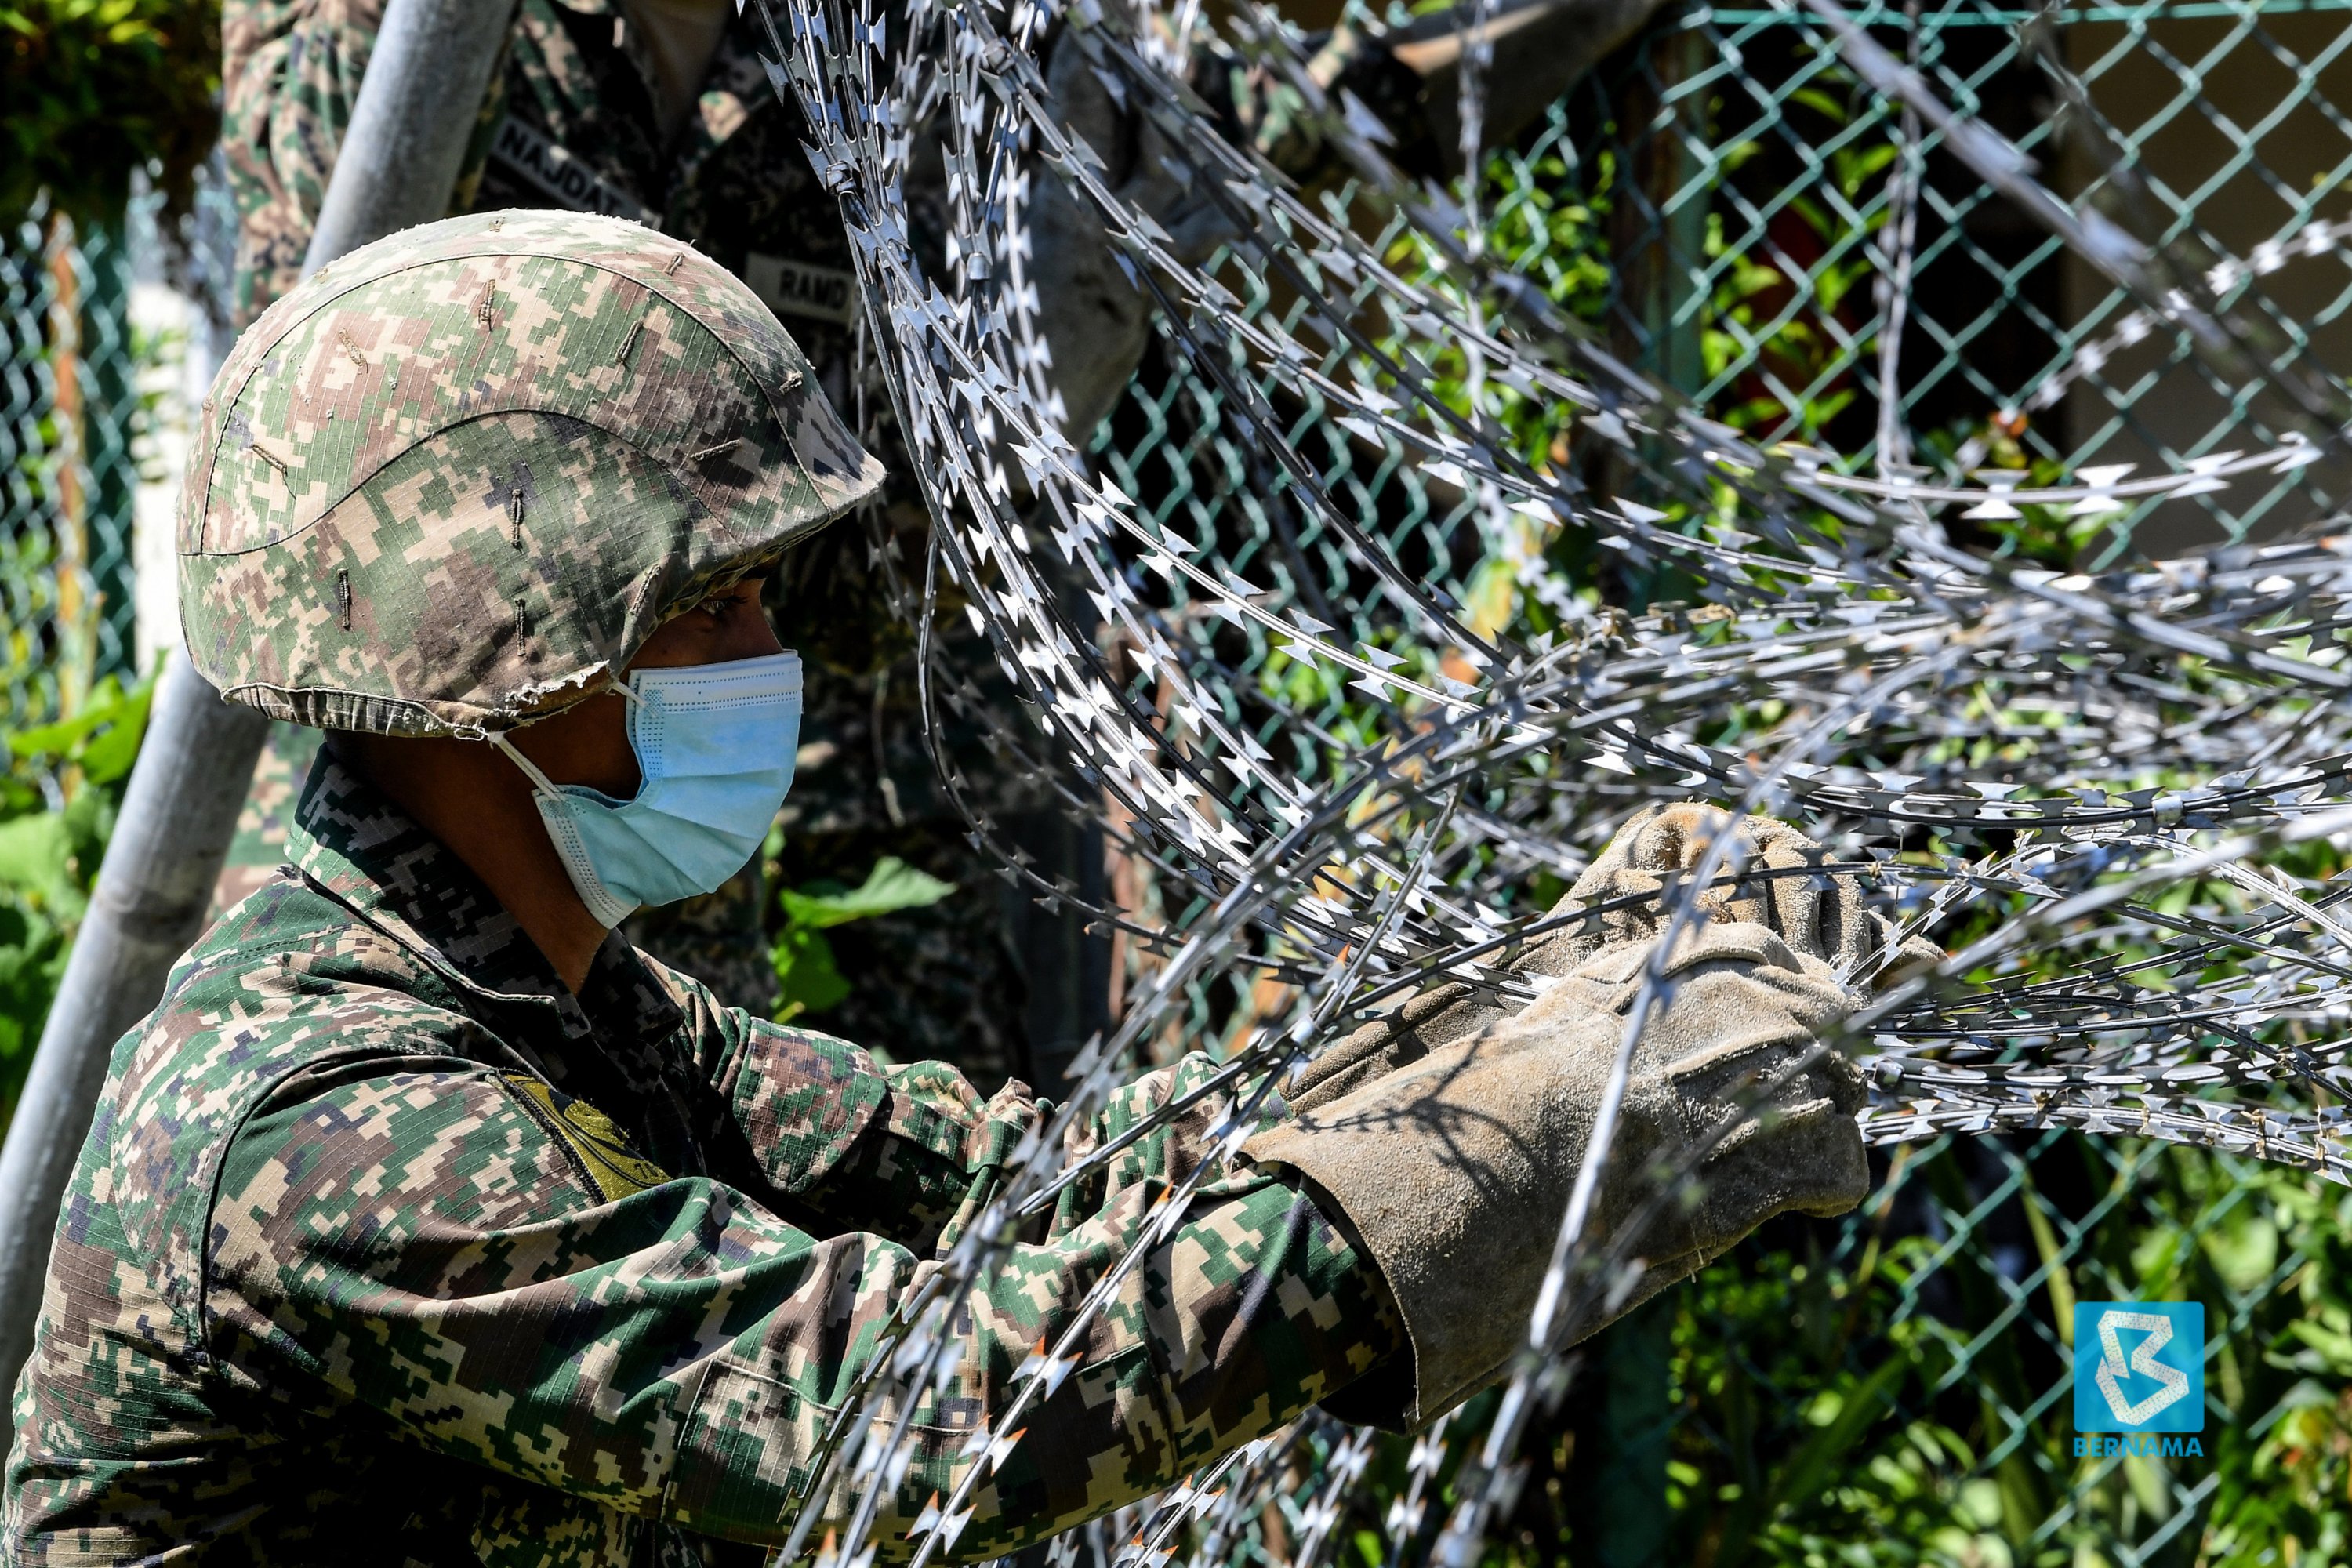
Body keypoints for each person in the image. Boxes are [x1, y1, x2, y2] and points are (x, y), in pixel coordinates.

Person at [0, 214, 1885, 1563]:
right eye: (710, 603)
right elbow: (904, 1418)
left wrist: (1522, 1014)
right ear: (492, 648)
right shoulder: (335, 1126)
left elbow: (1028, 1179)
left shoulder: (559, 1004)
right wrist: (1537, 1140)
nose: (769, 654)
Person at [210, 0, 1685, 1088]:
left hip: (805, 739)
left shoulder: (894, 45)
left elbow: (886, 521)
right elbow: (337, 488)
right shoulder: (389, 44)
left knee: (835, 1210)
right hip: (464, 780)